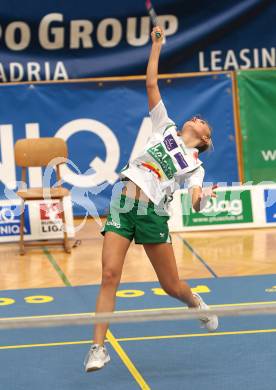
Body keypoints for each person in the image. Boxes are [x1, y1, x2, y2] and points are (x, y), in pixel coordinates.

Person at [84, 26, 218, 372]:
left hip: (152, 214)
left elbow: (196, 200)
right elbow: (150, 84)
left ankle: (194, 301)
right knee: (109, 274)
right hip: (124, 204)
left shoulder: (196, 166)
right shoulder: (166, 128)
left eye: (205, 124)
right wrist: (156, 46)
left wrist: (205, 200)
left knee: (171, 286)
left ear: (203, 140)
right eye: (199, 118)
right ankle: (98, 347)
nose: (199, 118)